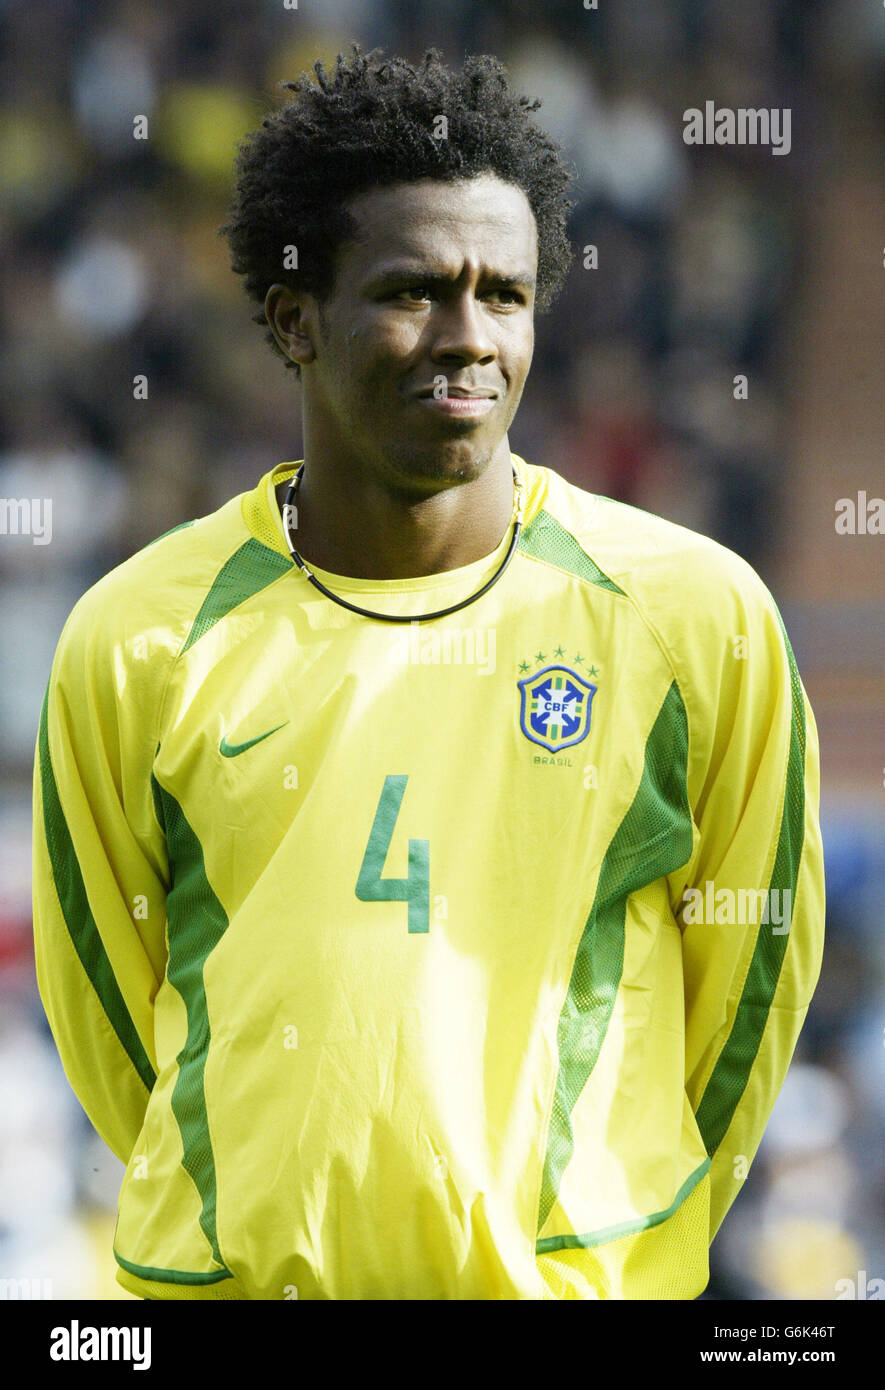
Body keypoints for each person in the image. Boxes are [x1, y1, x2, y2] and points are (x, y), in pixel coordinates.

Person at [31, 45, 824, 1301]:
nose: (468, 340)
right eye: (413, 291)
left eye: (503, 295)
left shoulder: (694, 617)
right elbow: (114, 1025)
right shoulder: (135, 636)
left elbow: (751, 997)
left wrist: (608, 1250)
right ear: (296, 319)